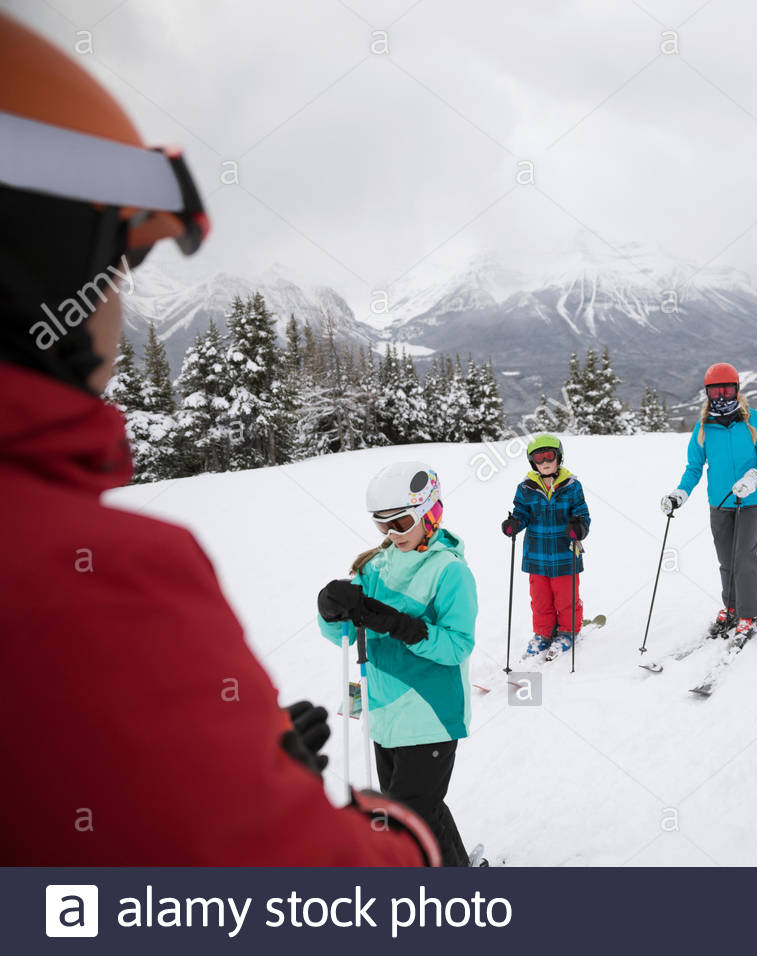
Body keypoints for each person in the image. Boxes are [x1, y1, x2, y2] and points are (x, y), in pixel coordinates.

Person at [0, 11, 437, 864]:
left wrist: (222, 757)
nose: (119, 308)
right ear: (43, 262)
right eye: (118, 267)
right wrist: (391, 834)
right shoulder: (84, 583)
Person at [318, 461, 478, 866]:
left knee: (409, 819)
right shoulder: (374, 567)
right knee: (417, 807)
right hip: (383, 713)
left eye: (401, 522)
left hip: (430, 715)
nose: (392, 534)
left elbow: (458, 646)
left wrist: (401, 626)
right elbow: (342, 635)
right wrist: (330, 610)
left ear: (430, 513)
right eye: (381, 525)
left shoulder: (450, 571)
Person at [661, 362, 757, 640]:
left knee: (745, 556)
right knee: (726, 559)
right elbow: (694, 467)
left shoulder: (754, 421)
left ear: (737, 390)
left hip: (750, 501)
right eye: (716, 391)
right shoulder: (704, 428)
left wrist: (754, 477)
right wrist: (681, 493)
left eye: (727, 390)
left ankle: (749, 613)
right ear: (707, 393)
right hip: (719, 503)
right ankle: (732, 606)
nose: (722, 396)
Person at [501, 434, 591, 658]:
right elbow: (522, 513)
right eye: (538, 458)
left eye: (549, 456)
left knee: (566, 597)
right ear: (533, 462)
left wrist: (579, 527)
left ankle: (568, 631)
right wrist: (514, 523)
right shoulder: (526, 488)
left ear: (558, 457)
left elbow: (582, 513)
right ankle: (543, 633)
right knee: (540, 599)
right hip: (537, 556)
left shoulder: (572, 486)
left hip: (565, 554)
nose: (544, 462)